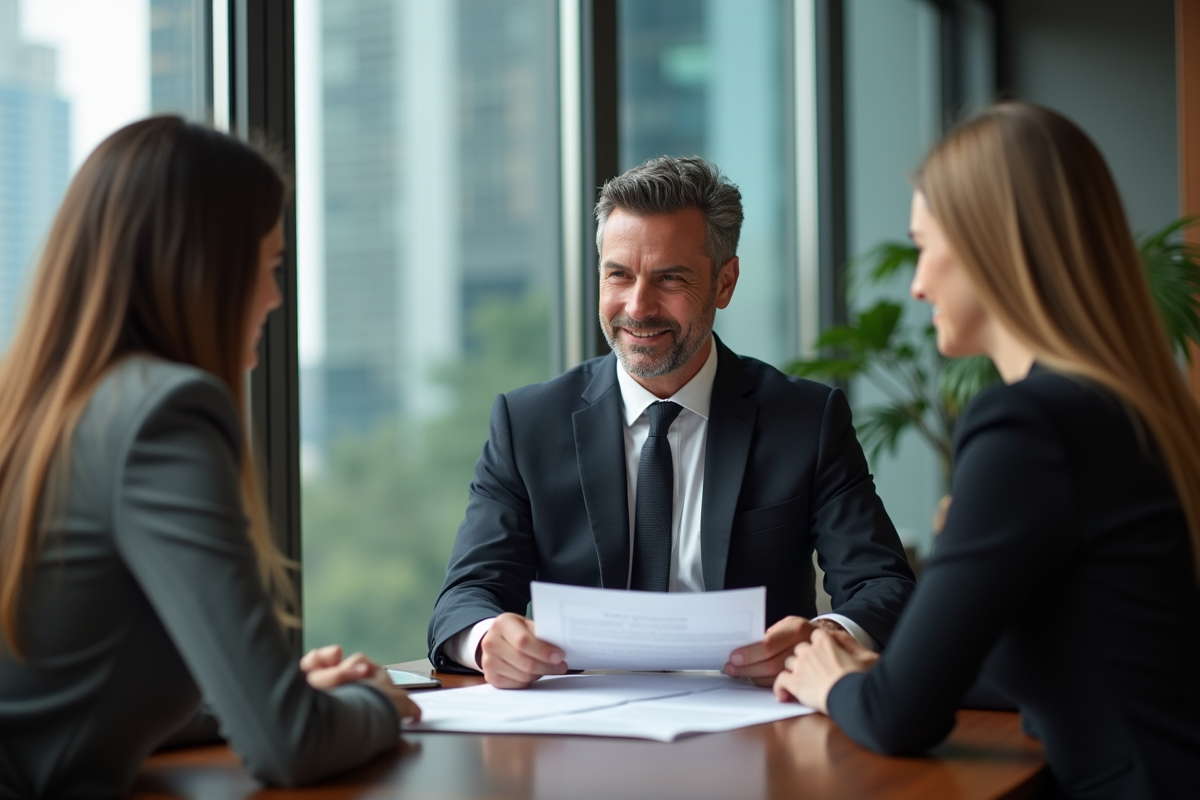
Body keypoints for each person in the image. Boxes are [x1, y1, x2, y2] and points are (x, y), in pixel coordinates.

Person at [773, 102, 1200, 799]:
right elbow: (1085, 660)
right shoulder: (1123, 405)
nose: (917, 285)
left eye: (923, 246)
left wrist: (835, 682)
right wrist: (883, 671)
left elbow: (897, 719)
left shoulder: (1028, 424)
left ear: (989, 245)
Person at [0, 117, 420, 798]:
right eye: (270, 266)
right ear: (203, 268)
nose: (275, 298)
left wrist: (267, 694)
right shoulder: (164, 414)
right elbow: (288, 746)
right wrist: (376, 702)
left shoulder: (36, 410)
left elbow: (63, 701)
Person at [428, 156, 916, 689]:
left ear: (724, 283)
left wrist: (824, 639)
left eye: (670, 278)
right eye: (619, 274)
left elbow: (883, 584)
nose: (638, 307)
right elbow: (465, 597)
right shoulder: (527, 425)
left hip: (756, 717)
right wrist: (487, 639)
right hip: (579, 719)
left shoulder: (805, 420)